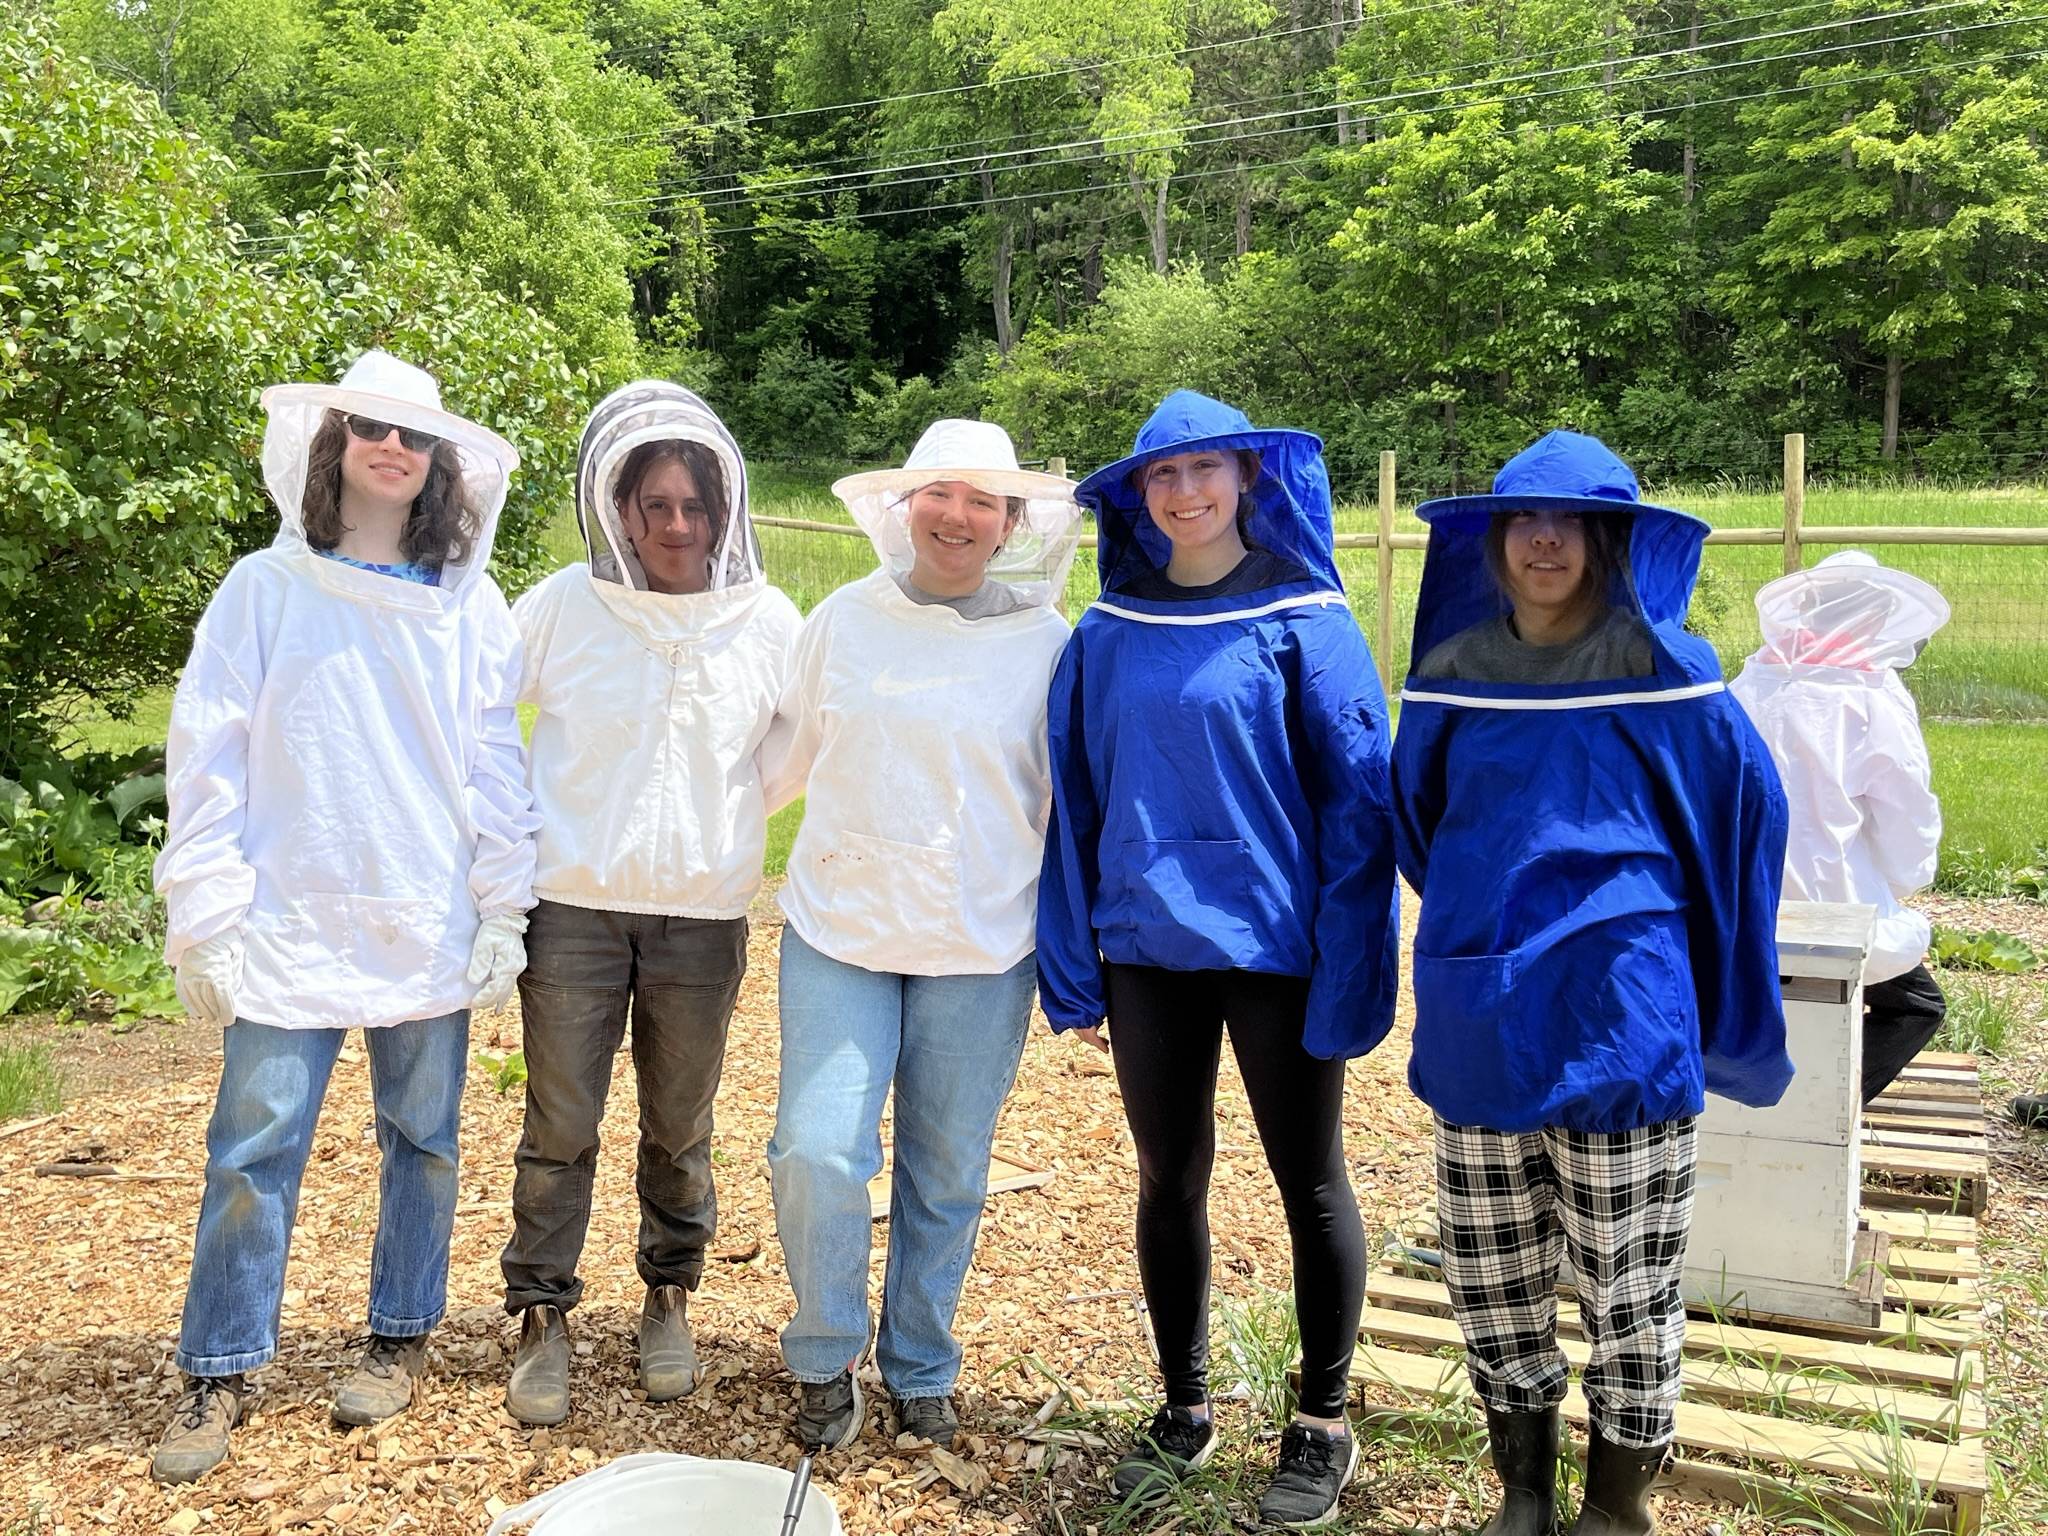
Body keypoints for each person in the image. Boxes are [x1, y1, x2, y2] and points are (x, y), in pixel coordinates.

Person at [1393, 431, 1792, 1536]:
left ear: (1610, 538)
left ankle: (1615, 1509)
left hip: (1622, 1013)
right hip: (1481, 1010)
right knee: (1492, 1270)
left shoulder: (1668, 672)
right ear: (1494, 539)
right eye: (1525, 520)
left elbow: (1740, 821)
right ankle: (1523, 1493)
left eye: (1570, 521)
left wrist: (1645, 936)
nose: (1545, 540)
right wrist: (1494, 909)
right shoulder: (1454, 673)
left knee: (1628, 1281)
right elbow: (1419, 825)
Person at [150, 351, 537, 1484]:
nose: (392, 447)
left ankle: (399, 1337)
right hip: (286, 913)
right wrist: (206, 909)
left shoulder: (468, 605)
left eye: (413, 435)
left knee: (421, 1142)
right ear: (332, 446)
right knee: (252, 1150)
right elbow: (207, 752)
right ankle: (220, 1368)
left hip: (422, 914)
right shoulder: (263, 591)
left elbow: (494, 763)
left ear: (438, 466)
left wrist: (500, 905)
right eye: (370, 427)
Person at [1036, 391, 1401, 1528]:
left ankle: (1320, 1422)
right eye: (1161, 477)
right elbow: (1076, 804)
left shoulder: (1307, 619)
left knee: (1308, 1181)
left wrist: (1353, 956)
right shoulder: (1106, 633)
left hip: (1276, 951)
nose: (1184, 493)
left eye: (1204, 471)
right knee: (1167, 1178)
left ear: (1249, 479)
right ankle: (1183, 1410)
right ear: (1136, 498)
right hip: (1148, 948)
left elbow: (1359, 804)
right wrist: (1073, 956)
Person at [759, 421, 1083, 1453]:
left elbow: (1068, 800)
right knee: (816, 1149)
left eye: (981, 501)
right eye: (939, 494)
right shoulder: (841, 621)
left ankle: (920, 1364)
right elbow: (778, 759)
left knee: (945, 1171)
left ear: (1009, 523)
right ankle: (821, 1354)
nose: (957, 515)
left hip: (982, 943)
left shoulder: (1047, 643)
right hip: (841, 927)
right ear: (903, 509)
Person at [497, 382, 800, 1425]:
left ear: (726, 511)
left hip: (701, 919)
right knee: (560, 1122)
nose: (677, 526)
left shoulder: (764, 619)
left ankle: (668, 1294)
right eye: (655, 505)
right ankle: (541, 1313)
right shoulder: (558, 606)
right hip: (572, 909)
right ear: (616, 509)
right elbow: (480, 714)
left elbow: (800, 737)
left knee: (678, 1126)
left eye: (695, 507)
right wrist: (528, 829)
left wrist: (728, 817)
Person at [1729, 551, 1951, 1104]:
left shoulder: (1749, 682)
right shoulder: (1873, 699)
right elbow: (1909, 826)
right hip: (1832, 909)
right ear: (1876, 620)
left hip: (1736, 902)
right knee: (1918, 1006)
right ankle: (1827, 1106)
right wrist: (1904, 882)